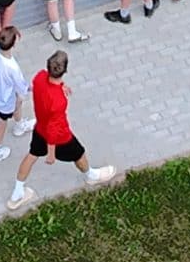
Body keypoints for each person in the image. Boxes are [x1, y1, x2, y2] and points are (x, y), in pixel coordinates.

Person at [7, 51, 117, 207]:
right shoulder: (58, 101)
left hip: (39, 129)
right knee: (79, 153)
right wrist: (51, 153)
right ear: (65, 70)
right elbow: (53, 129)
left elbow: (41, 86)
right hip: (60, 137)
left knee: (32, 156)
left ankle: (17, 193)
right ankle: (91, 176)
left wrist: (61, 86)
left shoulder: (39, 77)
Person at [0, 26, 33, 166]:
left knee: (18, 104)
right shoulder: (12, 67)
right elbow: (22, 87)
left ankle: (20, 125)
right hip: (5, 100)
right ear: (13, 44)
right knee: (1, 124)